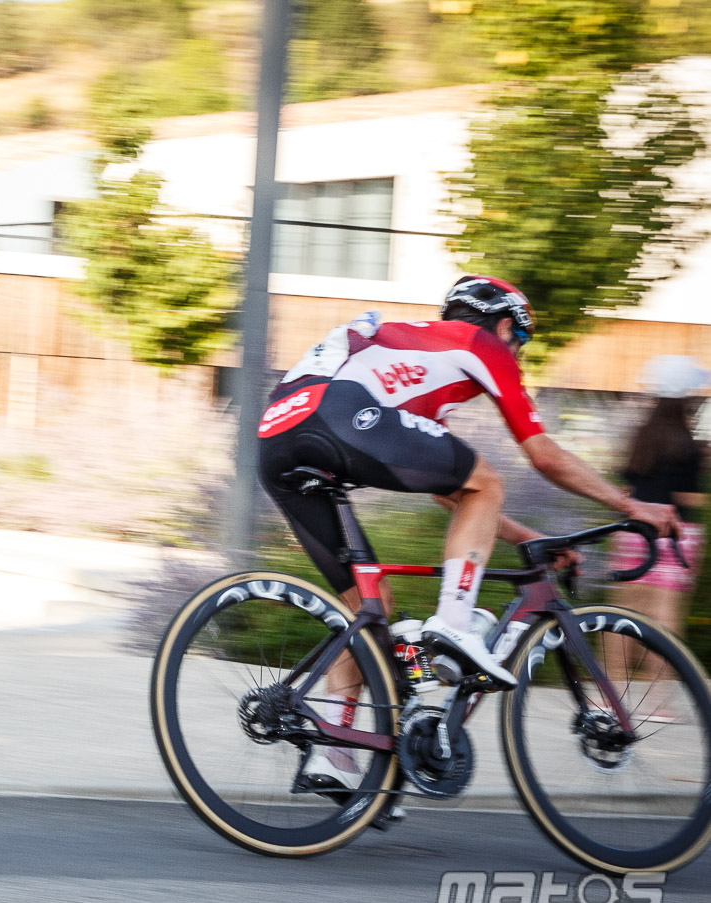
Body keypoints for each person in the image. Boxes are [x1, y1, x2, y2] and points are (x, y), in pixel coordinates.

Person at [257, 275, 680, 788]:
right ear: (505, 327)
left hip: (278, 436)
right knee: (488, 478)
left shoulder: (410, 358)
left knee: (369, 606)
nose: (517, 358)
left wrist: (529, 539)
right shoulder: (479, 342)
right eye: (520, 344)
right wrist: (629, 505)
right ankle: (455, 622)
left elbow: (450, 493)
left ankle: (336, 751)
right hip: (337, 411)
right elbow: (543, 456)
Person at [607, 356, 707, 720]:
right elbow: (689, 498)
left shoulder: (640, 436)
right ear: (685, 401)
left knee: (619, 616)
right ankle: (657, 704)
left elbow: (625, 484)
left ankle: (609, 698)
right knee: (665, 620)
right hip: (676, 532)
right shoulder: (690, 444)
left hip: (633, 530)